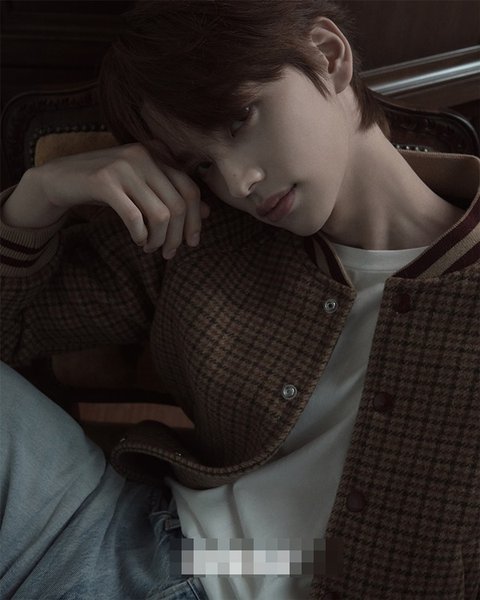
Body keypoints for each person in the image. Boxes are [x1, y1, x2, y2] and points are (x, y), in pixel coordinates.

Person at [1, 0, 479, 598]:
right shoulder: (202, 233)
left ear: (327, 56)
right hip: (125, 537)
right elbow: (12, 327)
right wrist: (38, 197)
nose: (236, 182)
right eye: (202, 164)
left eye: (238, 120)